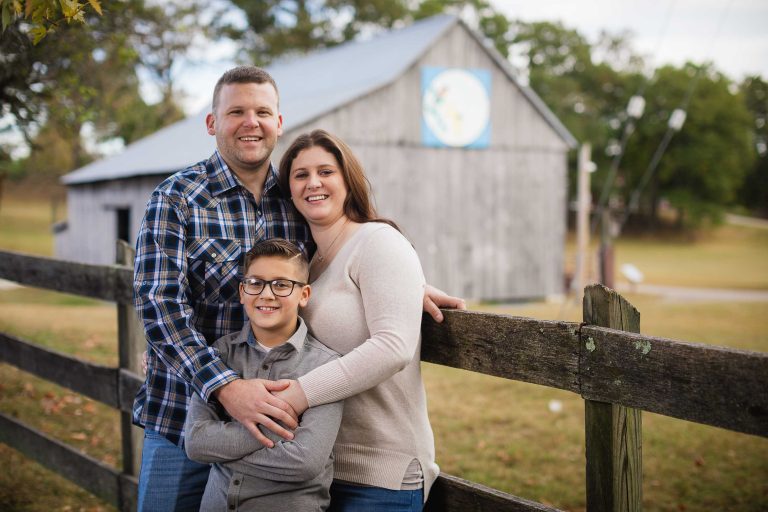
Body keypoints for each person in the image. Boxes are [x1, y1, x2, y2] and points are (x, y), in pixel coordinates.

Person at [132, 65, 464, 510]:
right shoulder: (177, 198)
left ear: (279, 123)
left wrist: (407, 286)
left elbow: (345, 258)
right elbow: (159, 305)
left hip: (283, 431)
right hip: (187, 421)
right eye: (236, 112)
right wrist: (226, 388)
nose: (251, 122)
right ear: (213, 123)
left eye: (263, 111)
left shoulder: (295, 204)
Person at [275, 129, 439, 511]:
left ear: (347, 179)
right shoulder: (306, 265)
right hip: (317, 467)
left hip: (382, 471)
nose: (313, 182)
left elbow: (392, 347)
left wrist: (299, 394)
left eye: (326, 171)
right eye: (300, 175)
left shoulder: (378, 242)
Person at [184, 239, 343, 511]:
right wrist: (275, 430)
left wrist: (220, 452)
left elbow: (304, 462)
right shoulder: (219, 355)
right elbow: (197, 443)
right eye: (256, 283)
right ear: (242, 291)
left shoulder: (327, 366)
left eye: (281, 284)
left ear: (304, 294)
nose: (266, 294)